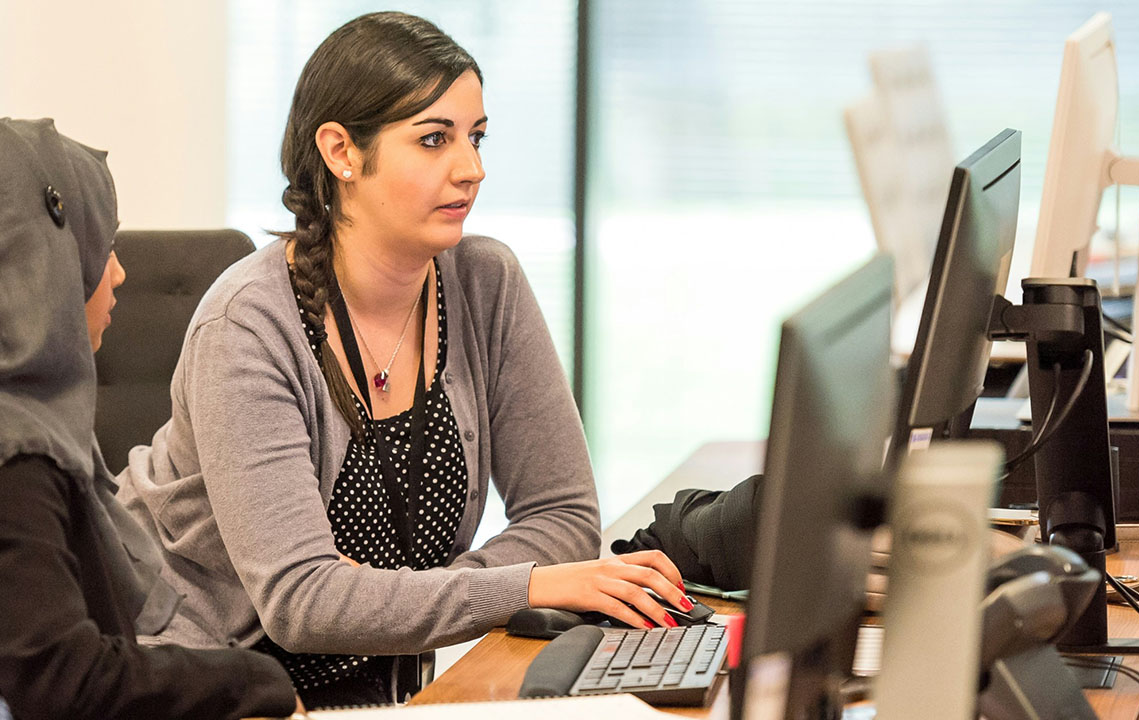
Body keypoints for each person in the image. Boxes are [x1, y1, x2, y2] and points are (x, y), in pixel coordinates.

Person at [116, 12, 691, 707]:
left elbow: (564, 516)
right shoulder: (249, 325)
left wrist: (387, 597)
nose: (471, 168)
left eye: (475, 137)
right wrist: (525, 583)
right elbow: (302, 602)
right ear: (341, 152)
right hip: (213, 685)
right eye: (433, 139)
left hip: (381, 687)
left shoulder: (485, 283)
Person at [0, 118, 299, 719]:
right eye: (101, 248)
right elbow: (62, 680)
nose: (119, 273)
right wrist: (255, 679)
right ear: (48, 264)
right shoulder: (19, 456)